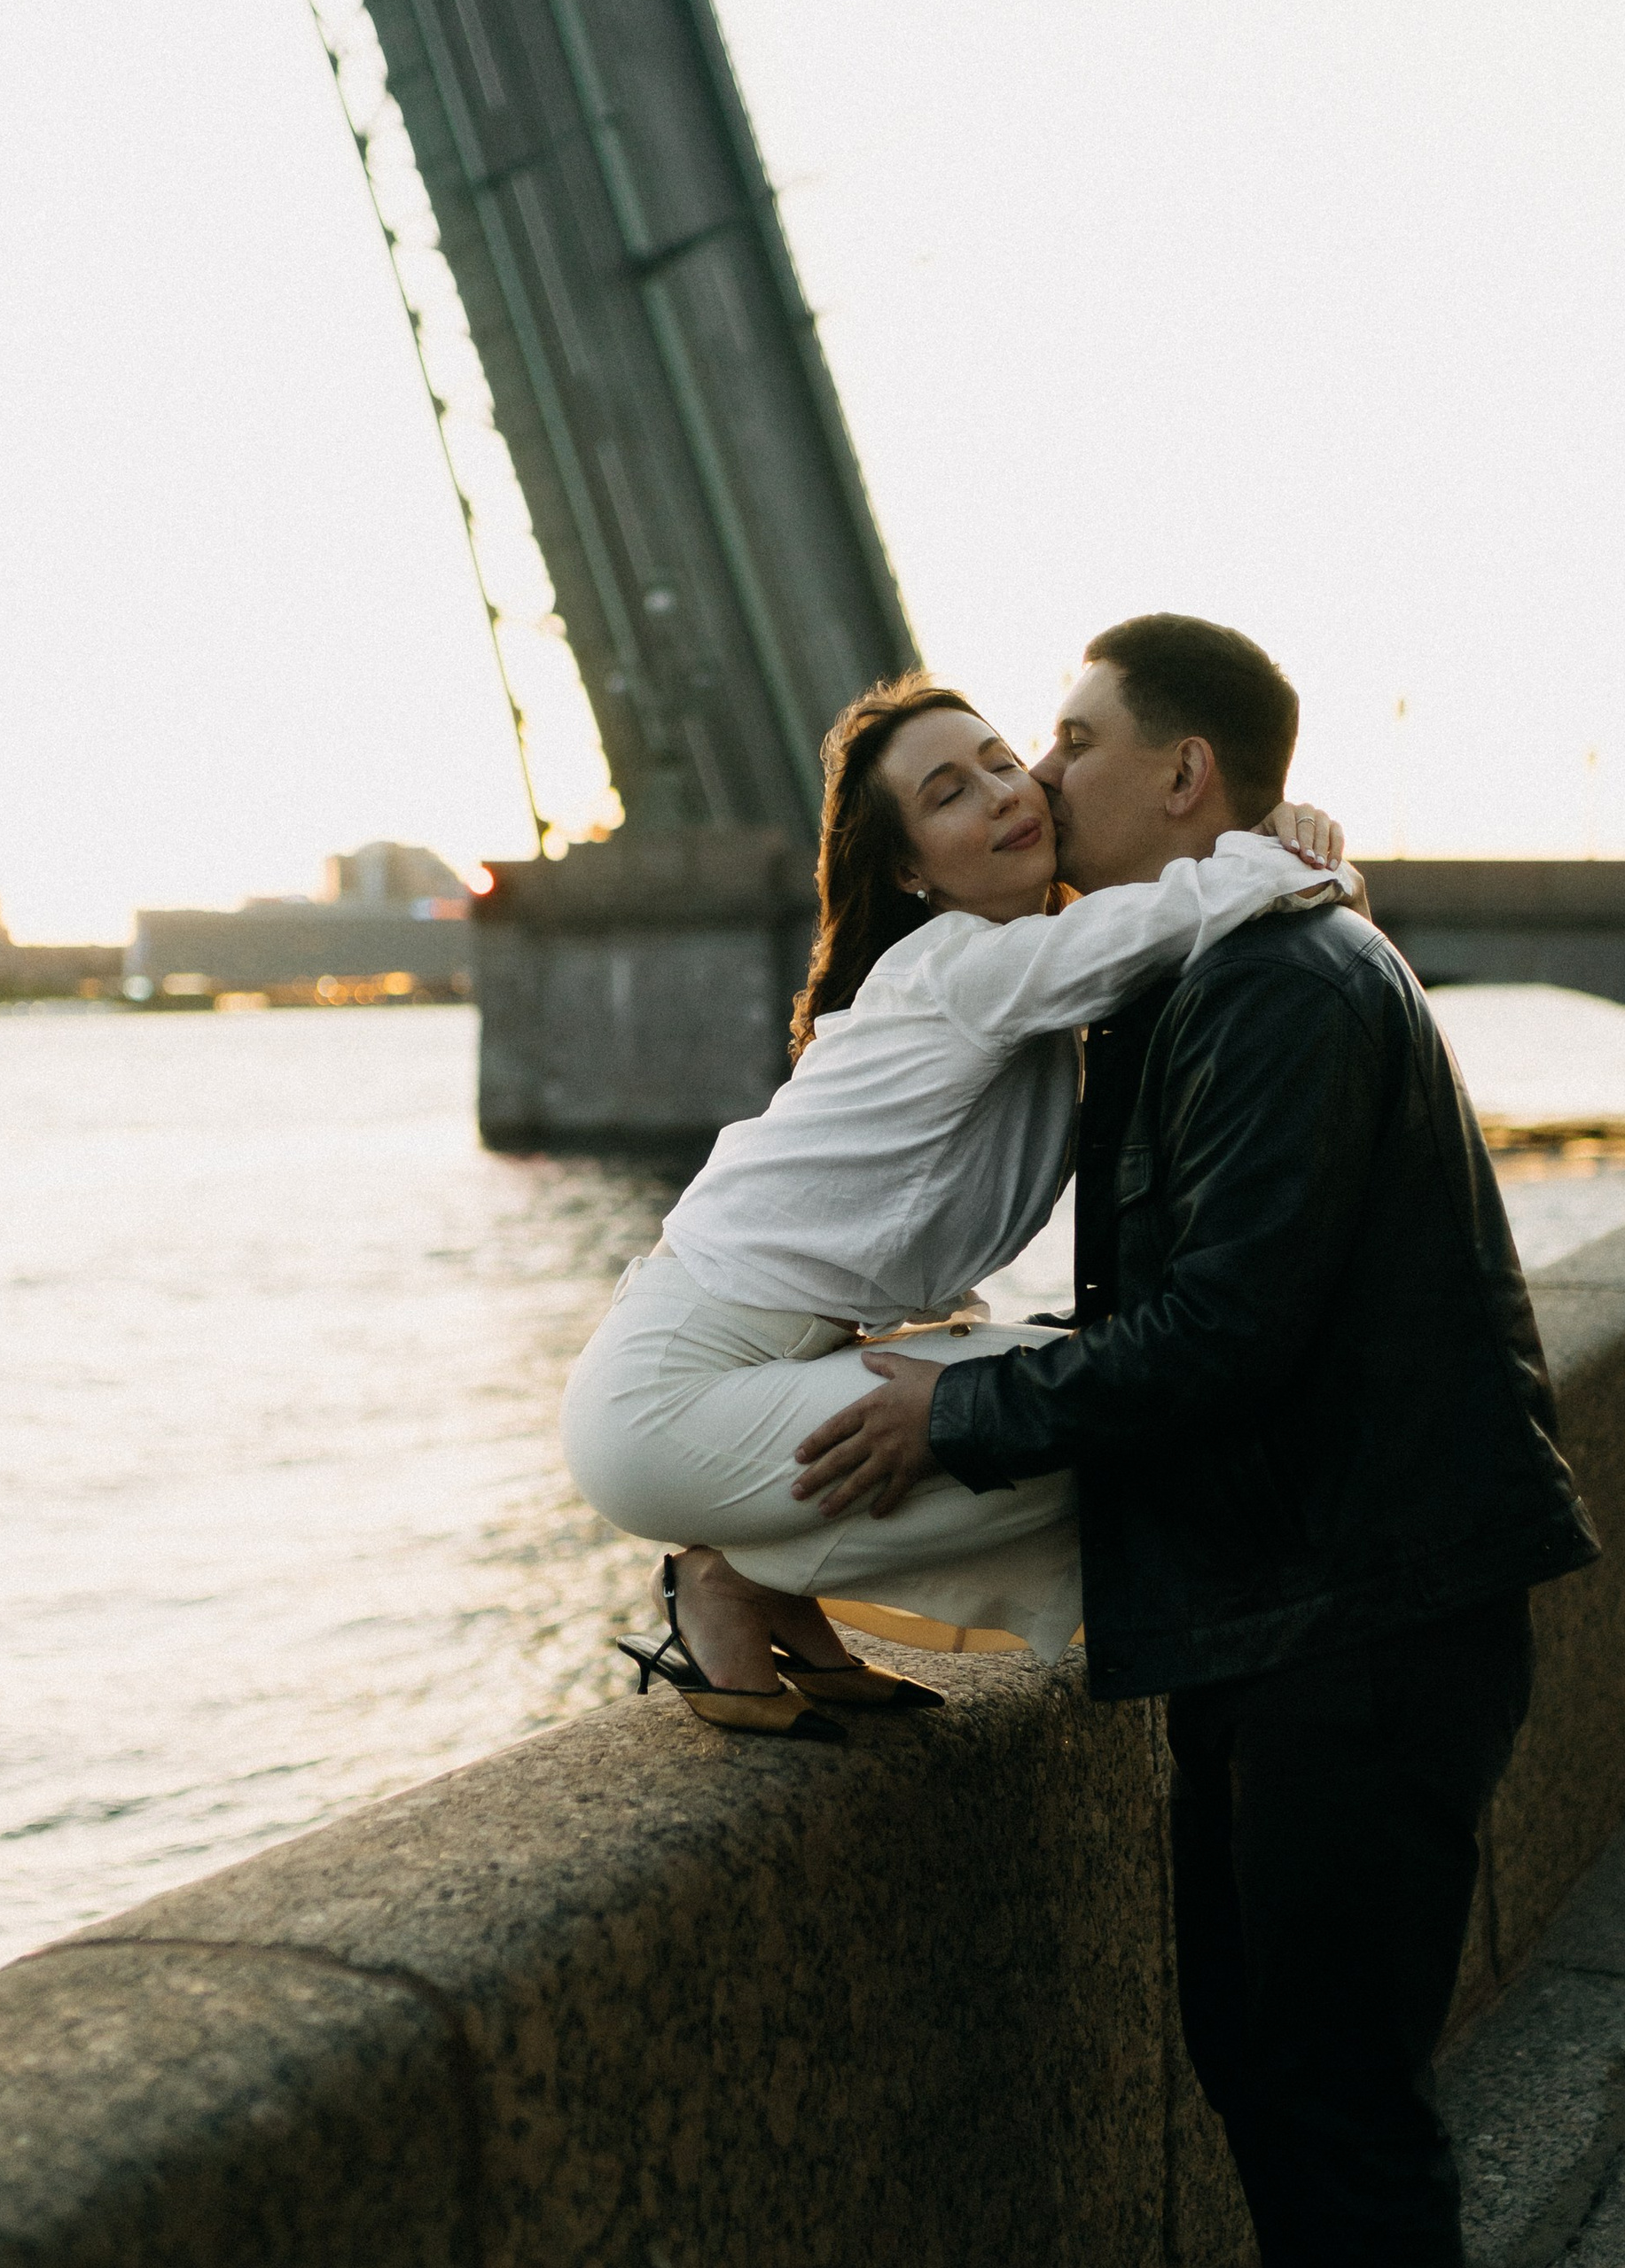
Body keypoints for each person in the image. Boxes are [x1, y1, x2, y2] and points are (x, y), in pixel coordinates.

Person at [791, 613, 1598, 2268]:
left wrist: (943, 1413)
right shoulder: (1202, 969)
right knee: (1266, 2064)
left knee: (1339, 2101)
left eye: (1068, 739)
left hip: (1364, 1616)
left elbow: (1221, 1332)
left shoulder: (1282, 984)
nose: (1035, 773)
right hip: (1285, 1603)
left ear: (1187, 784)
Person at [559, 672, 1353, 1740]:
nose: (1001, 794)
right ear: (908, 869)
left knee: (1087, 1399)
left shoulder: (1023, 986)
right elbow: (1157, 920)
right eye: (947, 795)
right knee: (1111, 1426)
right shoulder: (958, 970)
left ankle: (758, 1586)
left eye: (996, 760)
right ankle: (734, 1580)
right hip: (667, 1401)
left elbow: (1142, 929)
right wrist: (1292, 855)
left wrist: (1281, 848)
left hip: (737, 1368)